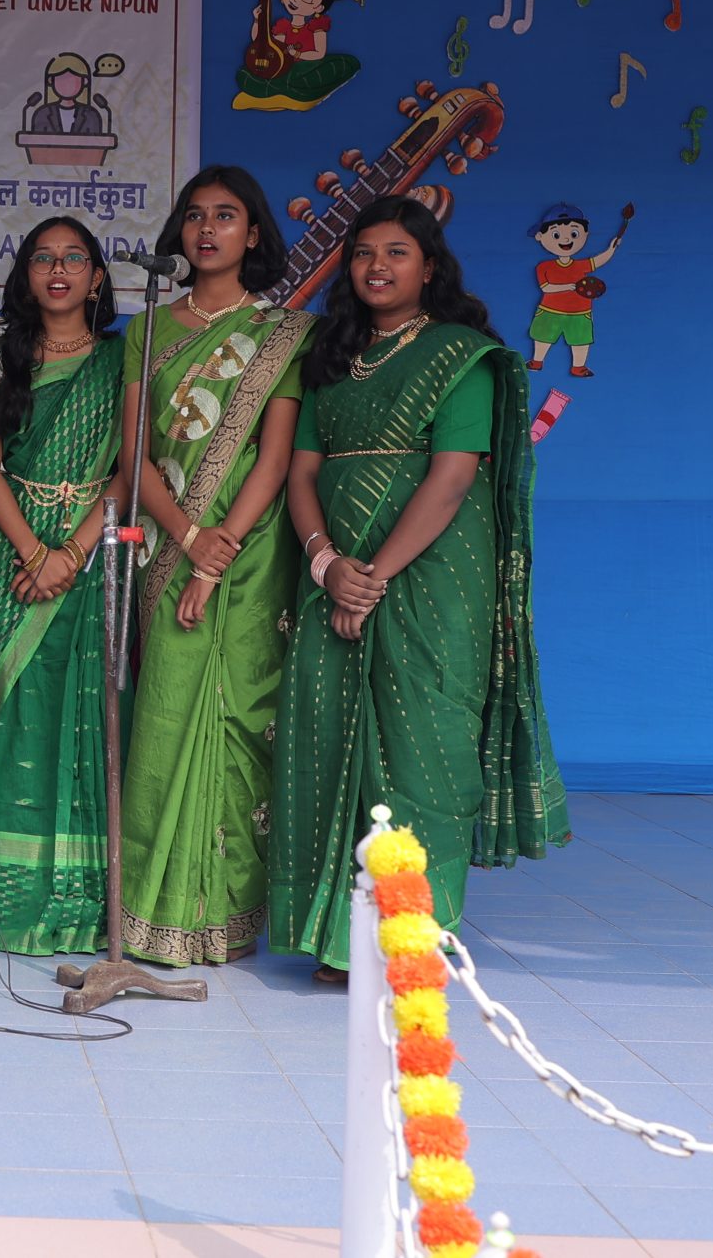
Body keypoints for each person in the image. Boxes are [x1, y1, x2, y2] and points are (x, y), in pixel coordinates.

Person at [269, 195, 571, 982]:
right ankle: (337, 937)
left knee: (422, 749)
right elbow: (301, 473)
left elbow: (452, 477)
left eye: (396, 252)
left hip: (431, 583)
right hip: (330, 576)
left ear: (429, 267)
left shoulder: (461, 356)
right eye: (363, 252)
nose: (377, 266)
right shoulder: (330, 358)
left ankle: (407, 936)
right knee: (328, 740)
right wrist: (326, 563)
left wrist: (371, 577)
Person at [115, 169, 313, 966]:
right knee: (166, 713)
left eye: (226, 216)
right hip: (169, 545)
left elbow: (275, 455)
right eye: (195, 216)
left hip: (250, 552)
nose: (207, 229)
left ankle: (223, 912)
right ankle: (153, 909)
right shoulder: (147, 328)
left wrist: (218, 546)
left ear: (253, 233)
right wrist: (187, 539)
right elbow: (135, 454)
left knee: (238, 720)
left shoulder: (283, 333)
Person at [0, 218, 124, 955]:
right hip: (9, 560)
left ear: (97, 277)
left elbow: (129, 469)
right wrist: (35, 551)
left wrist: (72, 553)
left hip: (90, 562)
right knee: (16, 719)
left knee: (86, 721)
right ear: (25, 274)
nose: (58, 270)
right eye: (43, 258)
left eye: (74, 258)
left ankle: (83, 905)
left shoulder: (121, 362)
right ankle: (12, 901)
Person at [233, 0, 364, 113]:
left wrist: (297, 54)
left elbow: (319, 54)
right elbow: (264, 43)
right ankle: (289, 96)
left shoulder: (317, 27)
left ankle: (273, 96)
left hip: (306, 70)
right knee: (243, 74)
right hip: (283, 71)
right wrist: (258, 21)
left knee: (346, 63)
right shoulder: (283, 26)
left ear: (319, 7)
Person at [526, 203, 623, 377]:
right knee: (542, 336)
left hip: (580, 312)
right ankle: (537, 361)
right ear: (540, 236)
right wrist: (569, 286)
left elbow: (599, 261)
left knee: (580, 340)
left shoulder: (581, 265)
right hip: (550, 310)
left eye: (574, 233)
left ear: (585, 234)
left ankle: (579, 367)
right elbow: (546, 287)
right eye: (556, 234)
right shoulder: (544, 266)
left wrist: (612, 248)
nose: (565, 240)